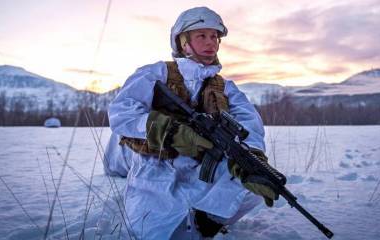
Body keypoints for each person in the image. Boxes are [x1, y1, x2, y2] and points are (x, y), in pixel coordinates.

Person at [104, 6, 278, 239]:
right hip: (155, 166)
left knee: (254, 181)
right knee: (152, 232)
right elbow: (121, 111)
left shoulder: (225, 88)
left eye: (215, 37)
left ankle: (208, 219)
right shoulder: (156, 73)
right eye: (202, 36)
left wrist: (252, 156)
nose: (211, 43)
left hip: (204, 164)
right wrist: (171, 131)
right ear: (183, 42)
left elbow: (250, 125)